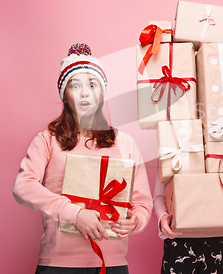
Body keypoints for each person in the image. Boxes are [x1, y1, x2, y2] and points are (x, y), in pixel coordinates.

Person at [13, 43, 153, 274]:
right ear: (65, 96)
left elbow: (142, 203)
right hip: (58, 264)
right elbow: (23, 186)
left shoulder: (126, 143)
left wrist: (136, 220)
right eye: (75, 85)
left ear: (102, 93)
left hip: (113, 264)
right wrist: (75, 214)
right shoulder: (47, 140)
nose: (85, 92)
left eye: (92, 84)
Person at [153, 173, 223, 274]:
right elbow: (160, 196)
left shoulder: (222, 157)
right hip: (177, 238)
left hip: (214, 239)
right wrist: (162, 217)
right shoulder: (168, 156)